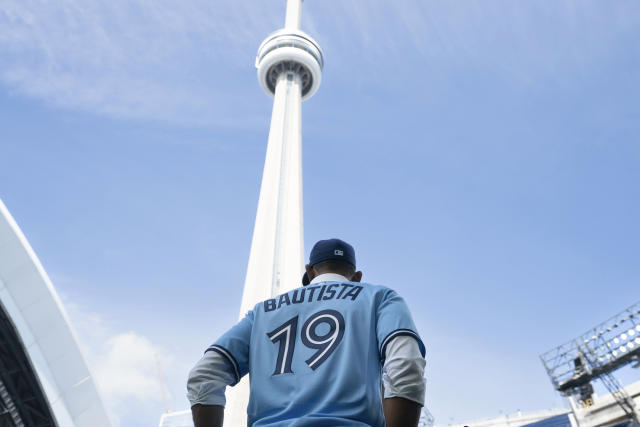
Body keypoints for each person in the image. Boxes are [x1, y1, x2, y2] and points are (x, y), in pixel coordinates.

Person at [187, 238, 426, 426]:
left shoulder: (261, 312)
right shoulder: (380, 298)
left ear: (310, 272)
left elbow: (203, 376)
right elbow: (405, 366)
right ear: (357, 277)